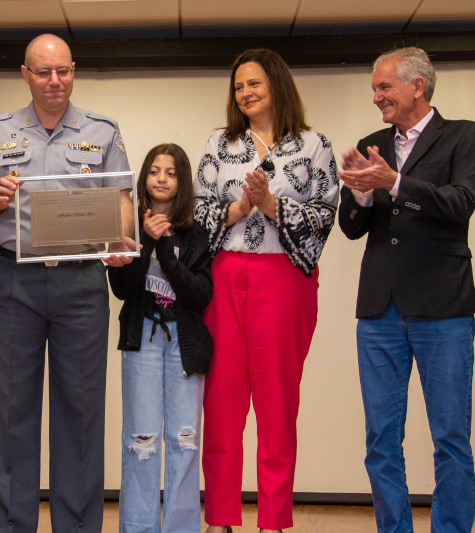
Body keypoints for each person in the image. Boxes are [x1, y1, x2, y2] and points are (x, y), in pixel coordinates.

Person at [0, 33, 134, 533]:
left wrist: (121, 238)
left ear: (73, 71)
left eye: (63, 71)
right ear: (26, 74)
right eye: (43, 72)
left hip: (81, 284)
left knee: (80, 414)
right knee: (11, 413)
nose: (55, 81)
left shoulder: (102, 131)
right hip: (16, 282)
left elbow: (121, 197)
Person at [194, 48, 339, 533]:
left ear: (277, 84)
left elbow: (324, 215)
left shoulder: (313, 144)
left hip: (284, 281)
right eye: (239, 87)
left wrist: (273, 207)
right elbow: (195, 213)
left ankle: (274, 519)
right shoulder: (220, 143)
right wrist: (238, 210)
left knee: (278, 406)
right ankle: (219, 518)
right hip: (226, 277)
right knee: (223, 404)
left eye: (254, 83)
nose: (246, 93)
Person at [338, 47, 475, 533]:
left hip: (444, 309)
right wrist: (358, 192)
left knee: (451, 438)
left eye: (384, 87)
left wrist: (395, 182)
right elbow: (353, 228)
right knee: (380, 439)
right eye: (375, 89)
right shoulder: (371, 143)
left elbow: (460, 203)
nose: (375, 97)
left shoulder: (464, 135)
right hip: (379, 311)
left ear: (417, 85)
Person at [109, 143, 213, 533]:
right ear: (144, 178)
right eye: (154, 170)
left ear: (182, 182)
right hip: (142, 344)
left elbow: (201, 294)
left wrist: (167, 253)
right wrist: (147, 242)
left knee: (185, 441)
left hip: (184, 348)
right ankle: (137, 527)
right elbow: (120, 287)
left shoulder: (197, 234)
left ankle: (181, 527)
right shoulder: (128, 228)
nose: (162, 179)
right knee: (142, 441)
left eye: (171, 172)